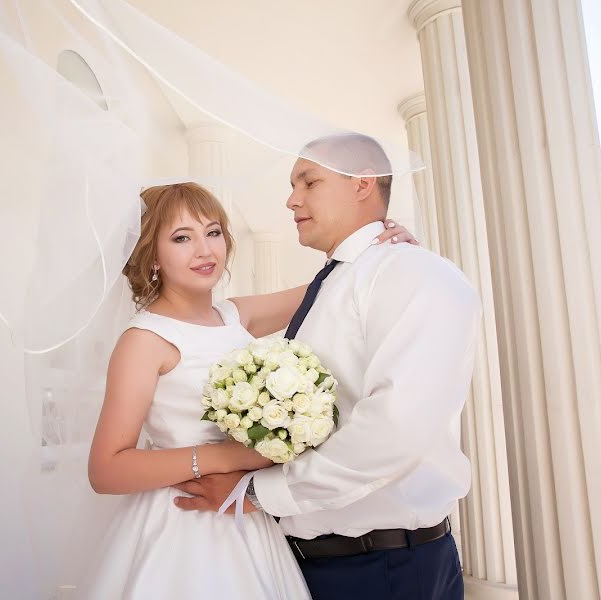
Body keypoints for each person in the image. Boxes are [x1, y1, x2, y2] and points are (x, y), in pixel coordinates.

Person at [175, 135, 481, 600]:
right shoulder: (339, 281)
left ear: (363, 184)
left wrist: (258, 494)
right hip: (303, 563)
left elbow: (396, 429)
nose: (291, 199)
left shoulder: (411, 272)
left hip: (383, 566)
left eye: (309, 182)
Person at [81, 180, 416, 599]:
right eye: (182, 238)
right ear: (151, 256)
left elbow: (332, 285)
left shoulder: (235, 315)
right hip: (183, 527)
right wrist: (233, 457)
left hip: (247, 517)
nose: (205, 250)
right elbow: (106, 469)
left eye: (214, 232)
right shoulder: (145, 341)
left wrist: (383, 247)